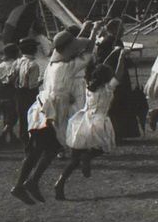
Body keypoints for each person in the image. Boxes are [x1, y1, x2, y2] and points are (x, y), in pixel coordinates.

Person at [10, 26, 94, 204]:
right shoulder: (66, 66)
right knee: (43, 149)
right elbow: (88, 54)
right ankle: (24, 184)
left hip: (42, 109)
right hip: (50, 113)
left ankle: (28, 183)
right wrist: (94, 32)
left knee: (45, 149)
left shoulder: (53, 64)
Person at [54, 58, 121, 201]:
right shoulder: (108, 89)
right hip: (98, 121)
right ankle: (88, 156)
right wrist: (121, 57)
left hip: (81, 122)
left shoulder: (88, 87)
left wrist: (113, 55)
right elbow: (118, 74)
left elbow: (96, 70)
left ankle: (60, 182)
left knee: (74, 160)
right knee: (104, 146)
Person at [13, 37, 43, 146]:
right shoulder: (33, 64)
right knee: (32, 116)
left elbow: (11, 77)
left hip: (18, 92)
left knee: (22, 117)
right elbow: (32, 85)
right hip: (30, 93)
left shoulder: (17, 62)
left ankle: (24, 139)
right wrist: (43, 80)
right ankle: (32, 141)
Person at [0, 43, 20, 143]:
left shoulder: (1, 65)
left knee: (7, 114)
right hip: (12, 90)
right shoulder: (16, 64)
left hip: (2, 90)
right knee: (13, 114)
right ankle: (3, 134)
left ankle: (11, 137)